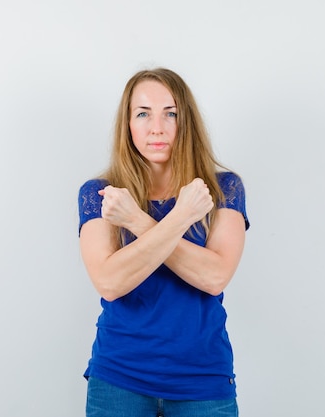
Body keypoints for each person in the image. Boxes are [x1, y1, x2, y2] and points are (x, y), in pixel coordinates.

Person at [78, 68, 250, 417]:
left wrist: (138, 220)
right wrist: (180, 217)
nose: (157, 127)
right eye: (143, 114)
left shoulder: (221, 190)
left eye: (170, 113)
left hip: (203, 381)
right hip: (118, 380)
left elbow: (215, 276)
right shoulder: (102, 195)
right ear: (127, 123)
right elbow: (110, 283)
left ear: (185, 120)